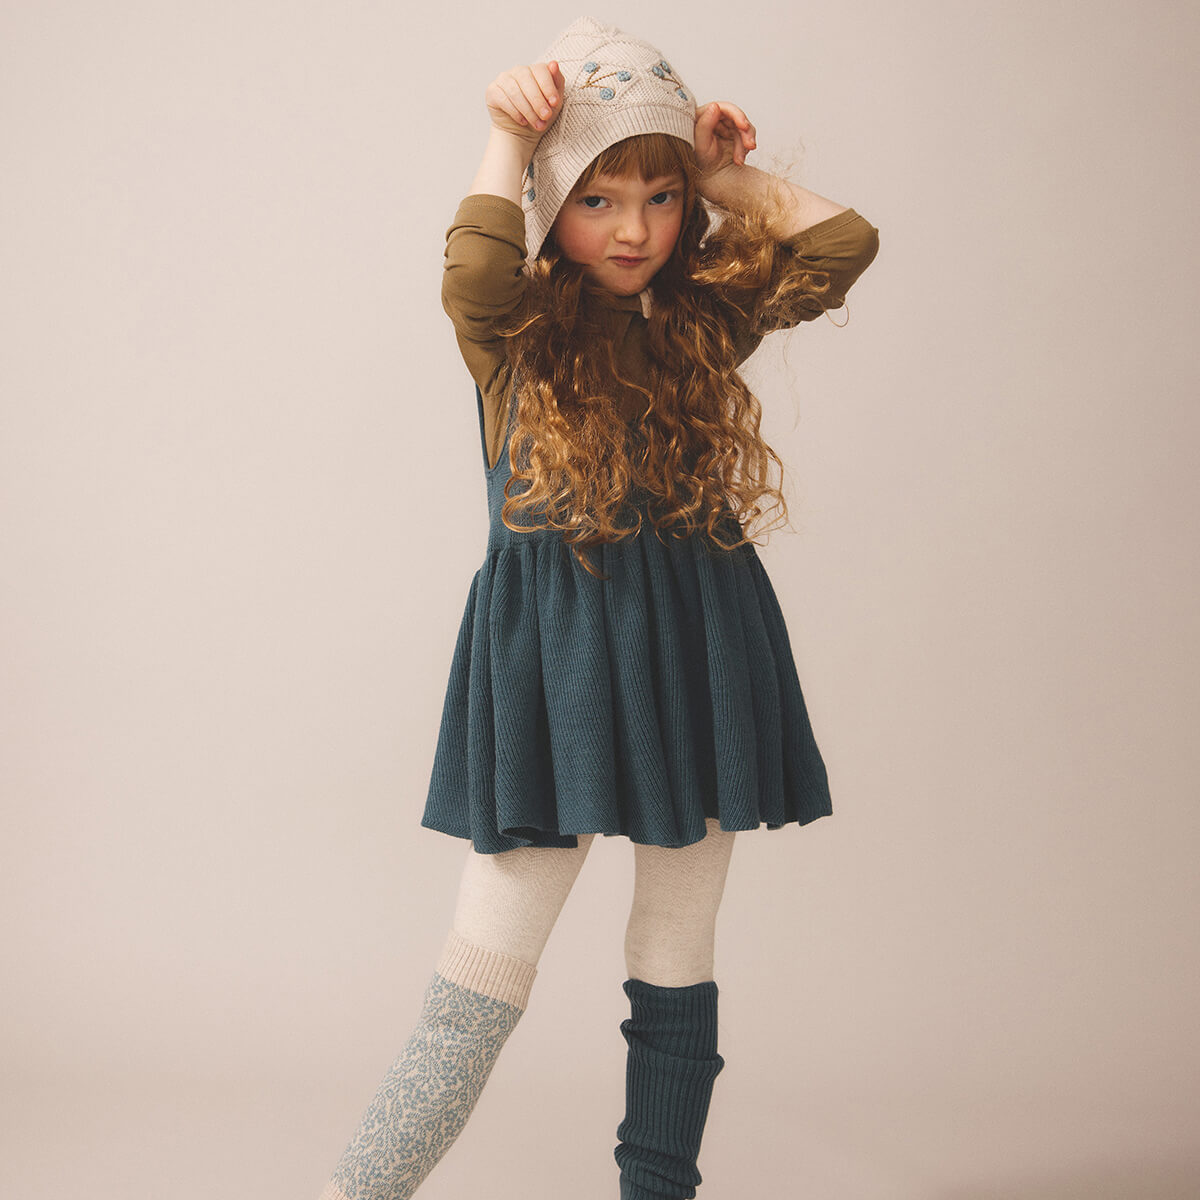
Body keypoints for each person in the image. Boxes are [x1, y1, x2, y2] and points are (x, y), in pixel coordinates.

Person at [316, 16, 879, 1200]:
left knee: (677, 954)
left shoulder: (696, 323)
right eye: (598, 197)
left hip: (701, 649)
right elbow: (473, 269)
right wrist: (506, 139)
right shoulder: (515, 336)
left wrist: (713, 169)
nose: (635, 229)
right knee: (479, 984)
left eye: (660, 200)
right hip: (554, 664)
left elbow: (842, 243)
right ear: (550, 201)